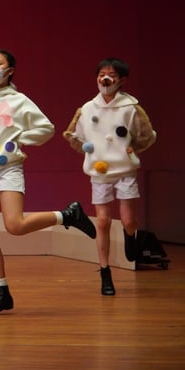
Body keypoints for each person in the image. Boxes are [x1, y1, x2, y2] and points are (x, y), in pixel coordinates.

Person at [0, 48, 97, 317]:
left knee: (14, 224)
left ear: (10, 70)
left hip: (8, 168)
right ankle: (1, 292)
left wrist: (20, 138)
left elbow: (46, 128)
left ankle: (67, 215)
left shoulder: (19, 100)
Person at [63, 57, 156, 295]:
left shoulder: (131, 108)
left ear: (122, 80)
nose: (105, 79)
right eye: (102, 74)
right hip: (100, 170)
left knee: (128, 220)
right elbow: (72, 135)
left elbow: (147, 135)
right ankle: (105, 272)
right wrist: (90, 151)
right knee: (102, 221)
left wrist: (131, 148)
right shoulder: (87, 109)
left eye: (112, 75)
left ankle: (130, 236)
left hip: (125, 169)